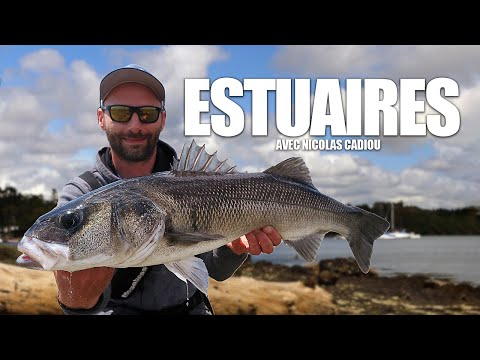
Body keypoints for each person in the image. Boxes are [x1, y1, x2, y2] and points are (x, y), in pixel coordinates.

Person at [53, 64, 283, 315]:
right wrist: (74, 301)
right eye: (120, 112)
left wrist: (234, 250)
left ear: (162, 119)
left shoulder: (201, 184)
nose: (134, 125)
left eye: (147, 114)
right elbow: (79, 302)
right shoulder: (82, 194)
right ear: (101, 118)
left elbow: (215, 272)